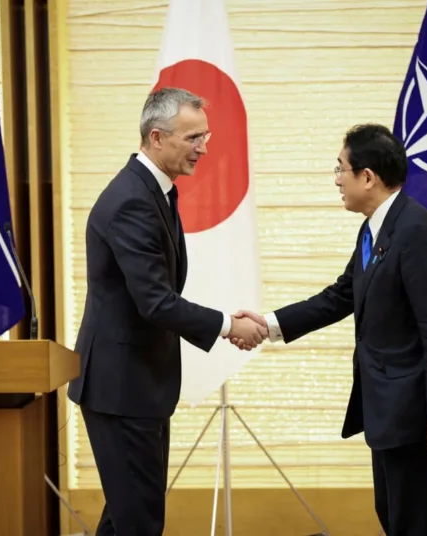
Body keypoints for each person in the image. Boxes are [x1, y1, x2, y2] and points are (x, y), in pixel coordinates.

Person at [233, 124, 427, 535]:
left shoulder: (416, 230)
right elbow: (340, 296)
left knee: (413, 524)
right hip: (387, 405)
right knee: (394, 518)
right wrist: (269, 324)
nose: (336, 180)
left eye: (340, 169)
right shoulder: (375, 228)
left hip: (413, 407)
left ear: (367, 176)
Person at [67, 87, 268, 536]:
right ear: (156, 137)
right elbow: (155, 301)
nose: (204, 148)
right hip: (121, 389)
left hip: (137, 385)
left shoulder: (152, 190)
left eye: (205, 136)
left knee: (127, 518)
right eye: (193, 137)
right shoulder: (131, 200)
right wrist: (227, 326)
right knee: (139, 520)